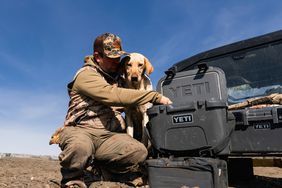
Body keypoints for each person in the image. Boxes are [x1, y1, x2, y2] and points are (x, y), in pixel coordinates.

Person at [55, 32, 172, 188]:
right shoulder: (86, 75)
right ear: (98, 57)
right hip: (82, 130)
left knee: (139, 151)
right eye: (112, 58)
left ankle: (104, 171)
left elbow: (133, 83)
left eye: (118, 57)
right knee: (79, 146)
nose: (117, 61)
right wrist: (153, 96)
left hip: (108, 137)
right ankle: (73, 179)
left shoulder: (116, 77)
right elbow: (113, 95)